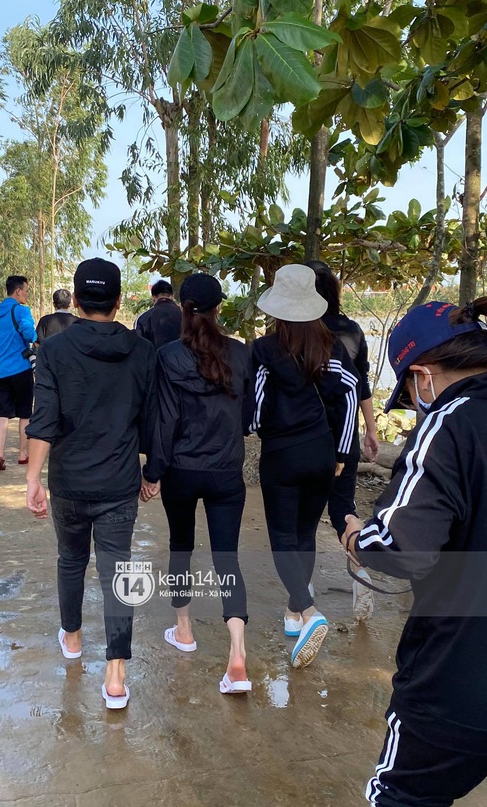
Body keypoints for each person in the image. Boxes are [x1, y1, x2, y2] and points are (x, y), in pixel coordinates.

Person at [343, 298, 487, 806]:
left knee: (398, 797)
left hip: (458, 684)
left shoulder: (449, 423)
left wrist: (360, 537)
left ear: (423, 376)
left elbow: (402, 546)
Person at [25, 258, 157, 711]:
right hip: (119, 483)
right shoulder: (142, 352)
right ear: (118, 302)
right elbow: (153, 420)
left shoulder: (55, 351)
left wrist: (32, 479)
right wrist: (151, 471)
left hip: (69, 481)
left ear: (77, 301)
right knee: (120, 573)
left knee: (70, 560)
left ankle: (74, 638)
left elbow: (43, 421)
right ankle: (116, 677)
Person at [140, 273, 252, 694]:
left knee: (180, 546)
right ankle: (237, 656)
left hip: (182, 473)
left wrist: (153, 472)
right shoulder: (241, 355)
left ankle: (183, 630)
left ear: (184, 309)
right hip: (226, 471)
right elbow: (247, 420)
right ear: (219, 308)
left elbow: (164, 421)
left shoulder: (168, 357)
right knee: (228, 558)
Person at [250, 264, 359, 669]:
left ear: (277, 307)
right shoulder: (331, 348)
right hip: (322, 452)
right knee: (305, 534)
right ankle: (294, 615)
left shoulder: (264, 350)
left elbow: (257, 407)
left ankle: (309, 610)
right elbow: (349, 394)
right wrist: (343, 454)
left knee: (281, 536)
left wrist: (255, 426)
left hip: (281, 455)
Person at [307, 260, 379, 620]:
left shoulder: (298, 329)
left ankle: (301, 601)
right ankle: (361, 573)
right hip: (345, 435)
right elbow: (360, 384)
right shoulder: (352, 331)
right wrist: (371, 428)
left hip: (305, 438)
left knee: (298, 519)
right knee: (343, 509)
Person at [0, 276, 37, 470]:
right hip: (20, 369)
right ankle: (23, 454)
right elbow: (30, 335)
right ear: (18, 291)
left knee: (2, 414)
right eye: (26, 290)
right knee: (24, 413)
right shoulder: (22, 310)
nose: (27, 294)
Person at [134, 279, 182, 350]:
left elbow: (139, 348)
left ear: (153, 297)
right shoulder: (185, 315)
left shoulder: (143, 318)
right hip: (183, 360)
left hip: (154, 360)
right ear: (172, 296)